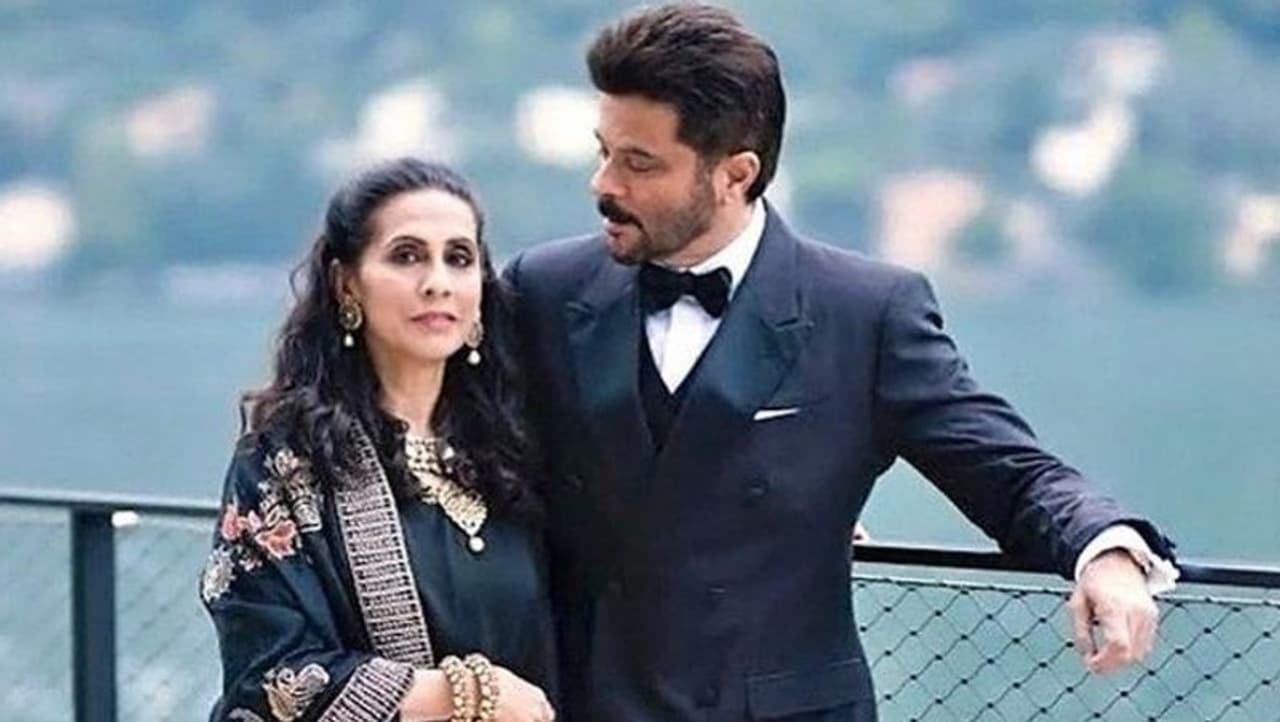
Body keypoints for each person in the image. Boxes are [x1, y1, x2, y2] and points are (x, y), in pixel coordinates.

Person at [504, 5, 1177, 721]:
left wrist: (1106, 552)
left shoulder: (866, 314)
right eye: (604, 151)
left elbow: (1011, 475)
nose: (603, 184)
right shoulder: (542, 290)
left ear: (735, 173)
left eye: (639, 163)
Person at [200, 158, 556, 722]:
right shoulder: (288, 462)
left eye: (459, 258)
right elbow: (269, 675)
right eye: (407, 256)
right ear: (347, 284)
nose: (437, 282)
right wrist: (468, 695)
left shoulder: (515, 448)